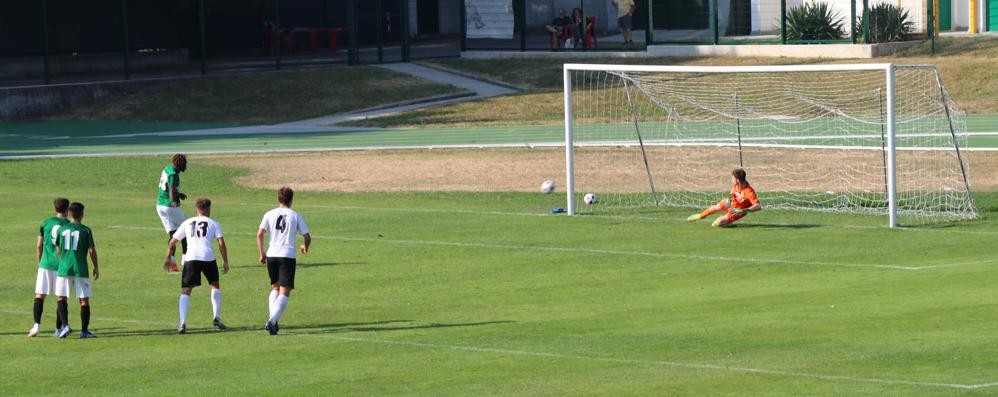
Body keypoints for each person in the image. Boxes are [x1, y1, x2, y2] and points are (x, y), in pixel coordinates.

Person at [166, 198, 229, 334]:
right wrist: (225, 261)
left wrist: (169, 258)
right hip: (208, 257)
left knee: (186, 290)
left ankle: (182, 322)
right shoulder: (214, 223)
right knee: (215, 285)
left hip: (191, 258)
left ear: (196, 210)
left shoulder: (187, 222)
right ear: (208, 210)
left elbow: (172, 242)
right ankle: (216, 317)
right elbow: (221, 243)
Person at [257, 187, 311, 335]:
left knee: (275, 287)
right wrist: (305, 247)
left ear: (278, 199)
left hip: (272, 255)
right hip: (287, 255)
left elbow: (260, 234)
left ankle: (273, 320)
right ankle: (272, 321)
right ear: (291, 200)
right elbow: (307, 236)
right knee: (284, 292)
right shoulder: (295, 215)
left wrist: (262, 253)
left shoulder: (269, 214)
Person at [54, 202, 100, 339]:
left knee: (61, 297)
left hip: (64, 268)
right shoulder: (85, 230)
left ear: (69, 214)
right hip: (80, 268)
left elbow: (58, 248)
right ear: (82, 215)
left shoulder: (61, 230)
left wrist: (63, 260)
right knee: (83, 300)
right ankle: (84, 331)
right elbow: (91, 250)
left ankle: (65, 325)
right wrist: (96, 267)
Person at [28, 198, 71, 338]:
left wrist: (41, 262)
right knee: (61, 297)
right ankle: (59, 329)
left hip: (45, 264)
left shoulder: (46, 223)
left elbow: (38, 246)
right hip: (61, 267)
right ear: (67, 209)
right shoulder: (68, 225)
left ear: (55, 208)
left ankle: (36, 326)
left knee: (40, 295)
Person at [688, 168, 762, 227]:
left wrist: (744, 210)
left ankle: (723, 219)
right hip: (731, 203)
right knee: (714, 208)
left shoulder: (749, 192)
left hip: (737, 211)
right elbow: (731, 195)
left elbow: (758, 206)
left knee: (718, 223)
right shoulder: (736, 185)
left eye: (732, 178)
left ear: (737, 180)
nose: (731, 180)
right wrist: (727, 203)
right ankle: (701, 216)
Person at [157, 154, 188, 273]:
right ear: (181, 164)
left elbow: (165, 187)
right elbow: (170, 188)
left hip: (160, 205)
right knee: (187, 230)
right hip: (169, 206)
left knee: (173, 235)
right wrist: (173, 201)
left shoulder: (167, 168)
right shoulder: (174, 175)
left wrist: (178, 194)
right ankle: (186, 262)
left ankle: (171, 263)